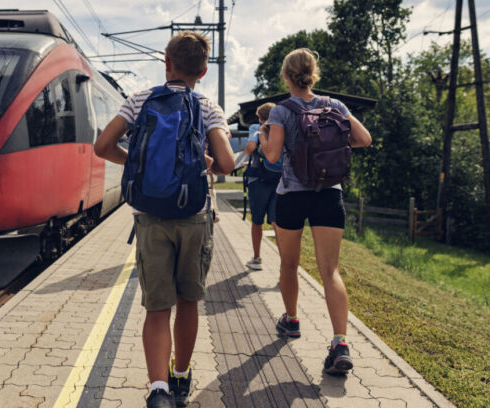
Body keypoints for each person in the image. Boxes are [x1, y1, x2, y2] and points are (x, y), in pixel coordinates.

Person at [94, 31, 234, 407]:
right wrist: (203, 163)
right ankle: (181, 376)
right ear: (203, 71)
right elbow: (226, 164)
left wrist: (134, 165)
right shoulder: (207, 106)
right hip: (194, 216)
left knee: (157, 308)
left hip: (150, 217)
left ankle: (157, 389)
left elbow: (102, 146)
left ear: (167, 64)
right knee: (188, 301)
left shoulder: (140, 100)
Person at [258, 48, 371, 374]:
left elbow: (274, 158)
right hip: (329, 195)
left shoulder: (280, 111)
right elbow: (364, 138)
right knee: (330, 271)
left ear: (286, 76)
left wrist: (266, 137)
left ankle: (292, 320)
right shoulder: (335, 106)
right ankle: (340, 343)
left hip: (293, 196)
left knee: (289, 264)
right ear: (314, 73)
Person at [244, 102, 283, 271]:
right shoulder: (281, 129)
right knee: (277, 223)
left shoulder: (257, 127)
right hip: (279, 180)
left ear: (260, 117)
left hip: (259, 180)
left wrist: (258, 135)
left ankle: (257, 258)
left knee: (257, 221)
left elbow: (250, 148)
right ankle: (284, 265)